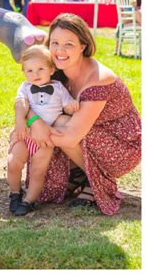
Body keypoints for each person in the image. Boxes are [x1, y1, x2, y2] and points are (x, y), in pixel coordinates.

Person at [15, 13, 141, 215]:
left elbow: (71, 136)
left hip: (121, 146)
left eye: (69, 44)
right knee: (52, 121)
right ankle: (79, 174)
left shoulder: (98, 79)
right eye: (55, 43)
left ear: (83, 46)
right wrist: (33, 121)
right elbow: (26, 97)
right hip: (87, 132)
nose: (60, 50)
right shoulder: (55, 71)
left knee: (60, 124)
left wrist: (34, 132)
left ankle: (96, 181)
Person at [7, 45, 79, 216]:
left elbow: (66, 107)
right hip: (25, 134)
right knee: (13, 163)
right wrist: (19, 121)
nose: (35, 74)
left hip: (44, 139)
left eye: (40, 69)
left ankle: (29, 201)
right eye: (29, 70)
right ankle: (15, 193)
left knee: (38, 171)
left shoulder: (59, 88)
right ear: (24, 72)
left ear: (52, 69)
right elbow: (21, 104)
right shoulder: (25, 87)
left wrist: (72, 106)